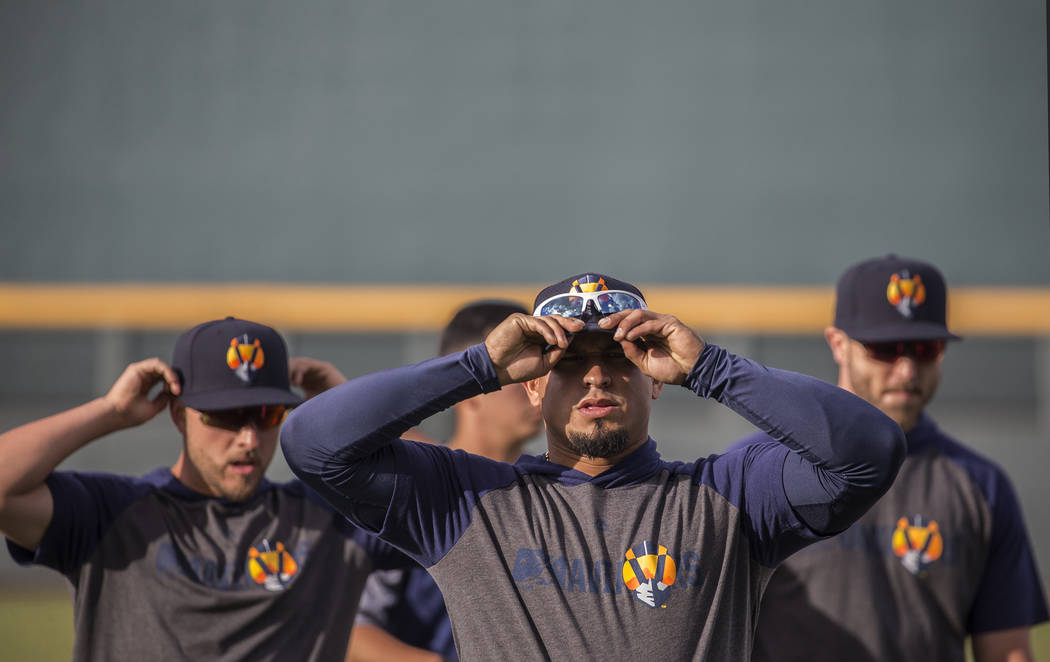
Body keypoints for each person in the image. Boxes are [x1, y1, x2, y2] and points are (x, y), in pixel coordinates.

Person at [281, 272, 907, 660]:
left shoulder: (728, 497)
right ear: (531, 386)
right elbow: (312, 442)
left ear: (655, 379)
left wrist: (710, 367)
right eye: (569, 361)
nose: (597, 374)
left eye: (622, 355)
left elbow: (870, 450)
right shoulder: (467, 499)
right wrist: (480, 366)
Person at [0, 317, 406, 661]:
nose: (248, 438)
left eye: (267, 415)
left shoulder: (329, 520)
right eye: (226, 416)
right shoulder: (111, 513)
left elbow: (444, 493)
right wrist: (109, 412)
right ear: (179, 415)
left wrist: (353, 410)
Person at [738, 255, 1049, 662]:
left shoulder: (980, 485)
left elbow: (1007, 651)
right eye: (885, 349)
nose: (907, 371)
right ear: (838, 344)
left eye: (925, 348)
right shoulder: (761, 469)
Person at [348, 300, 542, 662]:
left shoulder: (547, 495)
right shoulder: (410, 489)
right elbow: (345, 625)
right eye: (519, 374)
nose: (538, 384)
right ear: (471, 385)